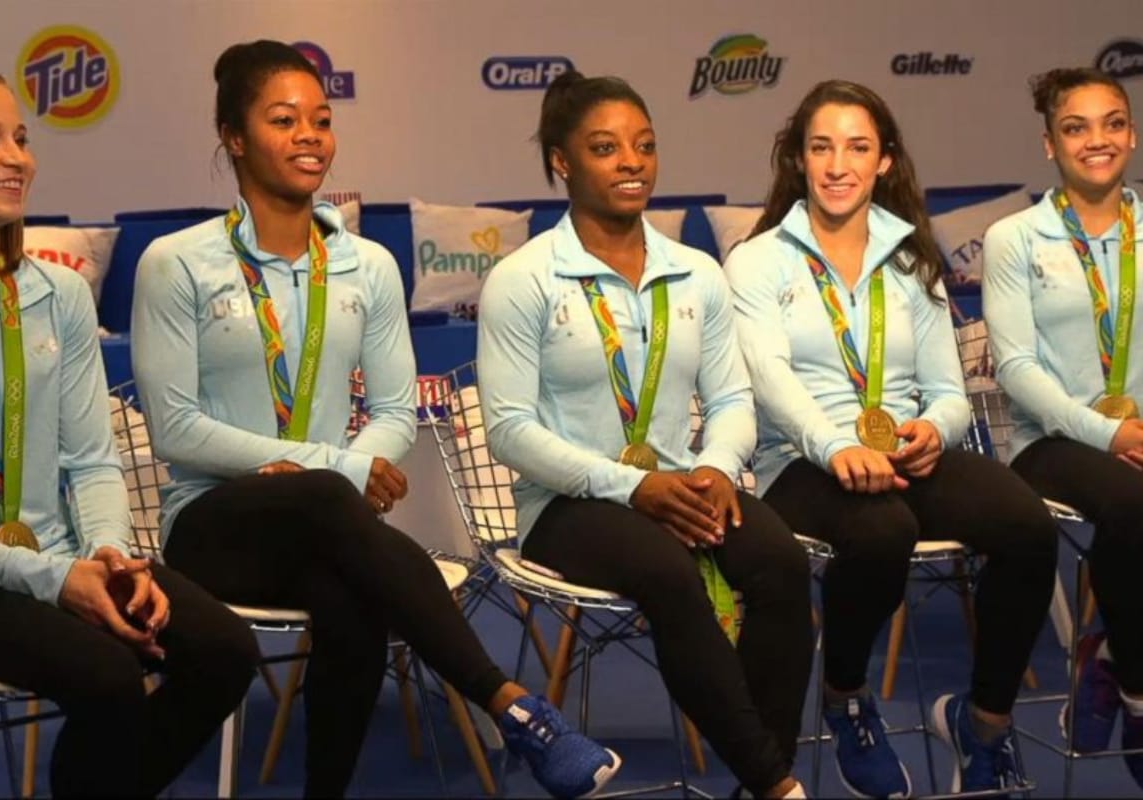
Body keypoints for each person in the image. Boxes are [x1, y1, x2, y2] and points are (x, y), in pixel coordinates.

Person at [130, 40, 620, 799]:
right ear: (234, 137)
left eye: (321, 120)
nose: (309, 136)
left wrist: (340, 473)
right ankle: (509, 703)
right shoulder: (176, 262)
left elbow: (394, 411)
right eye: (283, 120)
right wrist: (342, 469)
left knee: (351, 591)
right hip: (214, 523)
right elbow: (176, 429)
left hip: (326, 524)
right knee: (330, 499)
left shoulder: (367, 264)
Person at [479, 70, 813, 800]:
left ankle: (766, 773)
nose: (631, 162)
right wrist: (633, 486)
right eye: (605, 148)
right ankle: (776, 785)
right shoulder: (523, 278)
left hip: (686, 486)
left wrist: (716, 467)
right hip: (567, 506)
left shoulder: (696, 272)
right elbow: (508, 430)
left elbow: (731, 398)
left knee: (781, 561)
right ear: (562, 161)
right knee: (666, 570)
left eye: (645, 145)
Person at [725, 79, 1058, 796]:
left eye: (857, 148)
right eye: (821, 147)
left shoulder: (910, 256)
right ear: (799, 159)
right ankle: (846, 695)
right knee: (883, 530)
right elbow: (770, 381)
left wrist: (934, 429)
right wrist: (836, 446)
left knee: (1028, 527)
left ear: (883, 160)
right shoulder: (757, 260)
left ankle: (984, 724)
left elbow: (948, 390)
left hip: (902, 452)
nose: (837, 164)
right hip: (801, 463)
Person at [0, 63, 261, 798]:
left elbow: (90, 459)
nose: (17, 158)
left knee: (223, 651)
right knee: (109, 675)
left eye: (21, 139)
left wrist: (111, 557)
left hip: (59, 563)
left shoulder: (58, 294)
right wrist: (55, 581)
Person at [982, 66, 1143, 788]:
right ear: (1050, 144)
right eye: (1076, 128)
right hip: (1049, 442)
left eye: (1113, 123)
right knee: (1133, 503)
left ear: (1131, 135)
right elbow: (1017, 368)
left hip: (1138, 435)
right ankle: (1137, 692)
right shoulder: (1015, 237)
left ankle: (1107, 652)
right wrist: (1110, 435)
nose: (1096, 140)